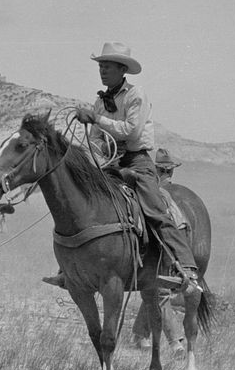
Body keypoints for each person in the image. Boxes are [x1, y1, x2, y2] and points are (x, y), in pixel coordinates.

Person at [43, 42, 201, 296]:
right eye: (101, 66)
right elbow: (95, 139)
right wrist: (89, 157)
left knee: (154, 209)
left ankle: (186, 268)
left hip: (137, 161)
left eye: (107, 66)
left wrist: (97, 119)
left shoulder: (136, 95)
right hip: (109, 161)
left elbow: (131, 130)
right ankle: (69, 269)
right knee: (82, 201)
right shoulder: (100, 101)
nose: (102, 71)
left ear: (121, 69)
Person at [131, 148, 186, 352]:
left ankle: (161, 338)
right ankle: (159, 338)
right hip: (163, 248)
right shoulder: (161, 193)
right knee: (156, 290)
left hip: (160, 249)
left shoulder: (158, 192)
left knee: (156, 291)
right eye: (168, 172)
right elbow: (180, 226)